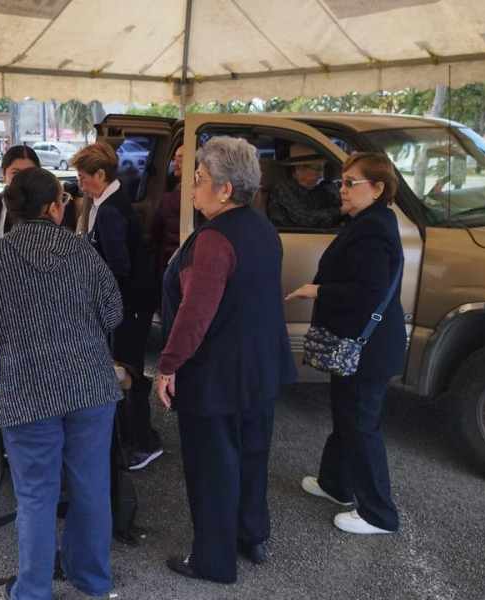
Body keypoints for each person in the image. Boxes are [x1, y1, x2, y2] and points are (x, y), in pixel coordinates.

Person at [0, 168, 123, 600]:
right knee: (91, 487)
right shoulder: (81, 251)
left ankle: (33, 590)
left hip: (25, 389)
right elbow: (113, 312)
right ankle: (92, 578)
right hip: (89, 386)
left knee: (35, 495)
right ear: (53, 207)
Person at [157, 137, 296, 585]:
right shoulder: (262, 228)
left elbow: (195, 313)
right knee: (252, 455)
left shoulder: (216, 239)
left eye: (199, 179)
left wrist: (168, 365)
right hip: (260, 366)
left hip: (216, 373)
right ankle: (251, 535)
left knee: (212, 468)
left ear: (225, 189)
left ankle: (213, 561)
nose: (192, 187)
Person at [286, 152, 406, 536]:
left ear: (378, 188)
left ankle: (379, 514)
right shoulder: (369, 221)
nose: (342, 189)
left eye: (351, 183)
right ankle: (335, 484)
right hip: (357, 344)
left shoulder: (374, 229)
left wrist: (317, 290)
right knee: (346, 415)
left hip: (368, 347)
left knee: (361, 424)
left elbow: (367, 292)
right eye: (342, 181)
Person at [72, 142, 162, 471]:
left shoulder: (110, 210)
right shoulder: (105, 202)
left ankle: (143, 442)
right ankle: (134, 435)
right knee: (125, 368)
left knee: (128, 371)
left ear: (100, 175)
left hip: (130, 304)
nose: (80, 184)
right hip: (128, 301)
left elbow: (118, 267)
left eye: (83, 177)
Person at [267, 143, 342, 229]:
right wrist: (341, 210)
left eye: (323, 168)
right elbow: (306, 219)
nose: (321, 175)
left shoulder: (322, 189)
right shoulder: (282, 190)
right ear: (299, 169)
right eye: (318, 168)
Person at [150, 145, 184, 292]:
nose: (175, 163)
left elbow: (155, 232)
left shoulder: (169, 200)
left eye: (180, 159)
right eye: (175, 158)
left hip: (169, 262)